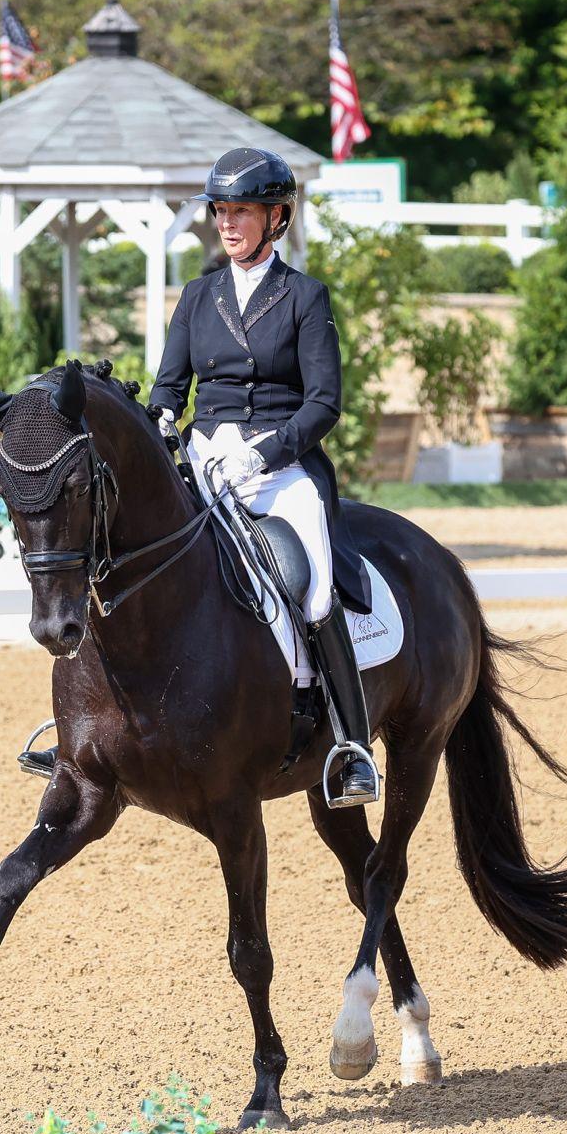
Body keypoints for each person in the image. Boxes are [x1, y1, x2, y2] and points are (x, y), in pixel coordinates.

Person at [152, 146, 379, 807]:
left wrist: (265, 452)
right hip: (205, 458)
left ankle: (350, 744)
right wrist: (164, 420)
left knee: (309, 585)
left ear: (276, 217)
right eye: (220, 211)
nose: (227, 223)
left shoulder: (305, 298)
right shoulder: (198, 295)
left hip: (278, 467)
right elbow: (170, 385)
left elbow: (324, 402)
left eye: (241, 211)